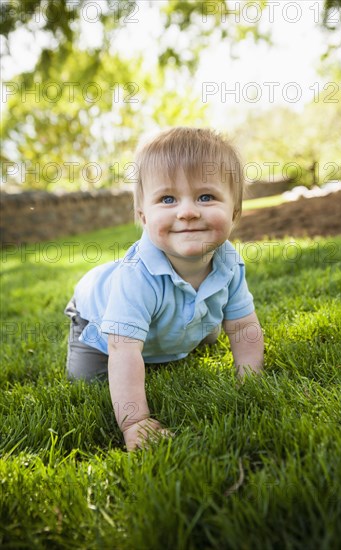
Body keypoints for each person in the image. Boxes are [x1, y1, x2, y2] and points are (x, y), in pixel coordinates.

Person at [64, 127, 264, 451]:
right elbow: (123, 349)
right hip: (98, 320)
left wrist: (251, 383)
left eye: (206, 196)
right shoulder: (137, 276)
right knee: (87, 378)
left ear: (235, 211)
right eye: (167, 199)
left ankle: (181, 333)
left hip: (170, 315)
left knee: (208, 328)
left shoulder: (230, 262)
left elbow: (242, 326)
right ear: (144, 216)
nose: (187, 211)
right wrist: (135, 422)